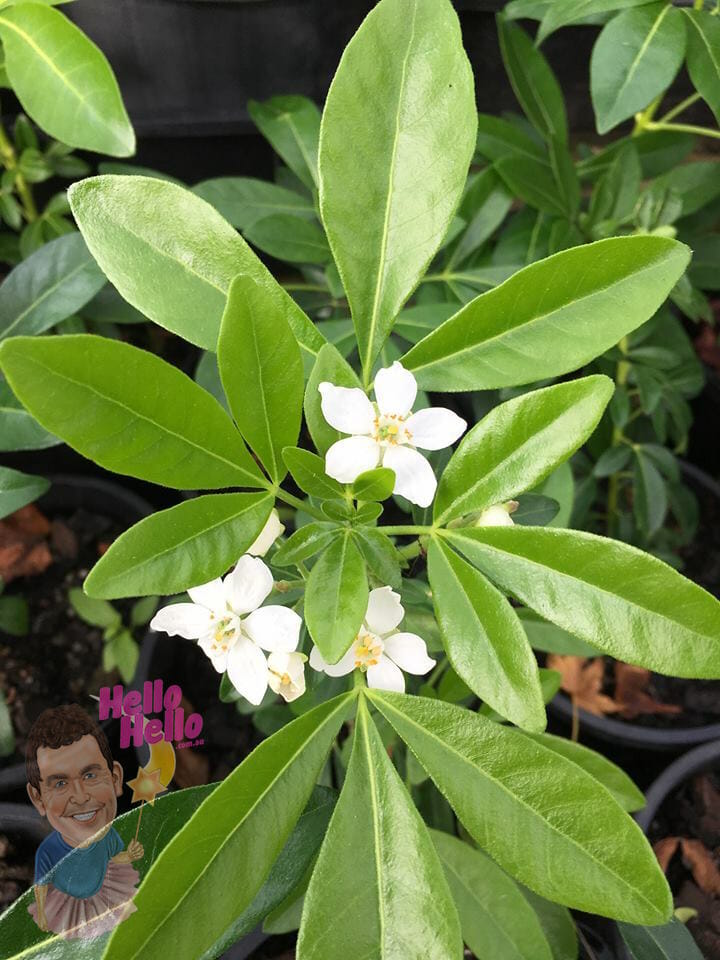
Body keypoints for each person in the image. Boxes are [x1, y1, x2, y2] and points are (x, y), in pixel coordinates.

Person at [25, 704, 143, 940]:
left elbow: (113, 860)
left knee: (123, 932)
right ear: (38, 799)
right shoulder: (49, 850)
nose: (80, 797)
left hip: (104, 893)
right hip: (68, 905)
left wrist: (128, 856)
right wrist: (42, 913)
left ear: (116, 779)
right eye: (60, 783)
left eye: (90, 775)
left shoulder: (108, 835)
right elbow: (41, 886)